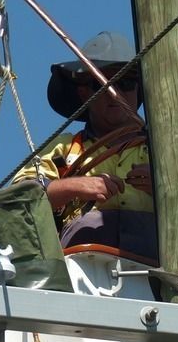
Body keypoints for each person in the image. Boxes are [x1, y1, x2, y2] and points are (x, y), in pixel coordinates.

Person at [24, 29, 157, 264]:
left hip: (163, 272)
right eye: (101, 84)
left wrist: (164, 186)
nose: (114, 93)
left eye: (125, 82)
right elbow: (21, 199)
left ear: (139, 89)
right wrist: (75, 186)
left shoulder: (164, 147)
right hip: (82, 270)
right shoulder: (65, 149)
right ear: (85, 92)